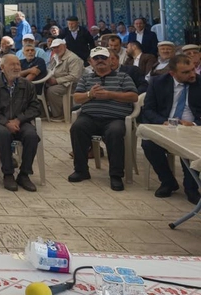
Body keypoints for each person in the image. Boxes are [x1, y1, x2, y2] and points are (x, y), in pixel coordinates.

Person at [68, 46, 138, 191]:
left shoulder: (123, 77)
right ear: (90, 62)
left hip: (115, 118)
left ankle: (116, 175)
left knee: (115, 132)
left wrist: (110, 95)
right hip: (90, 117)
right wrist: (90, 94)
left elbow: (133, 96)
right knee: (77, 128)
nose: (100, 60)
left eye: (103, 58)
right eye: (96, 58)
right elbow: (77, 98)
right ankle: (81, 170)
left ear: (110, 60)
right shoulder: (86, 78)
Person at [140, 55, 200, 202]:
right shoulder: (157, 82)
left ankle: (191, 187)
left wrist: (193, 124)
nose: (192, 74)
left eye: (193, 69)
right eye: (186, 72)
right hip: (165, 127)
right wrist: (163, 122)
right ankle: (168, 181)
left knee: (192, 147)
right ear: (172, 73)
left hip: (192, 128)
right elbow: (148, 109)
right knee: (148, 144)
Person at [0, 54, 42, 192]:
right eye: (12, 64)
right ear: (2, 67)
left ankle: (24, 174)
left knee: (31, 135)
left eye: (18, 64)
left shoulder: (27, 85)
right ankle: (8, 174)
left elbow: (35, 107)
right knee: (3, 134)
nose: (16, 67)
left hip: (21, 121)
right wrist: (6, 122)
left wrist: (18, 119)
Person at [44, 38, 84, 120]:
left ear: (65, 46)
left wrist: (56, 81)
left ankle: (59, 114)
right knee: (40, 88)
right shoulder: (55, 57)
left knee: (52, 91)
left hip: (70, 84)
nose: (56, 49)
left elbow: (75, 76)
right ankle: (44, 113)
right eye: (54, 48)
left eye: (58, 47)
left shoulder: (73, 58)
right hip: (57, 82)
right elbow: (50, 69)